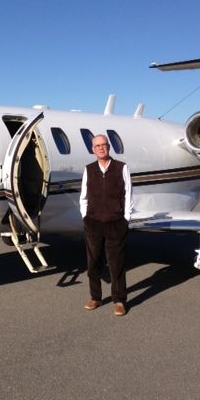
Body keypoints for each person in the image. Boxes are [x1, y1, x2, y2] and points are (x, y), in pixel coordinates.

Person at [79, 134, 133, 316]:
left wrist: (125, 218)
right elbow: (84, 196)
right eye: (97, 146)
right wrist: (85, 216)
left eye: (104, 145)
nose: (101, 148)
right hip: (93, 223)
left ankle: (119, 300)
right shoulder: (89, 169)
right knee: (93, 262)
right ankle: (96, 297)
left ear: (109, 147)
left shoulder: (121, 168)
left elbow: (129, 194)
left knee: (116, 263)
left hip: (116, 223)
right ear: (93, 150)